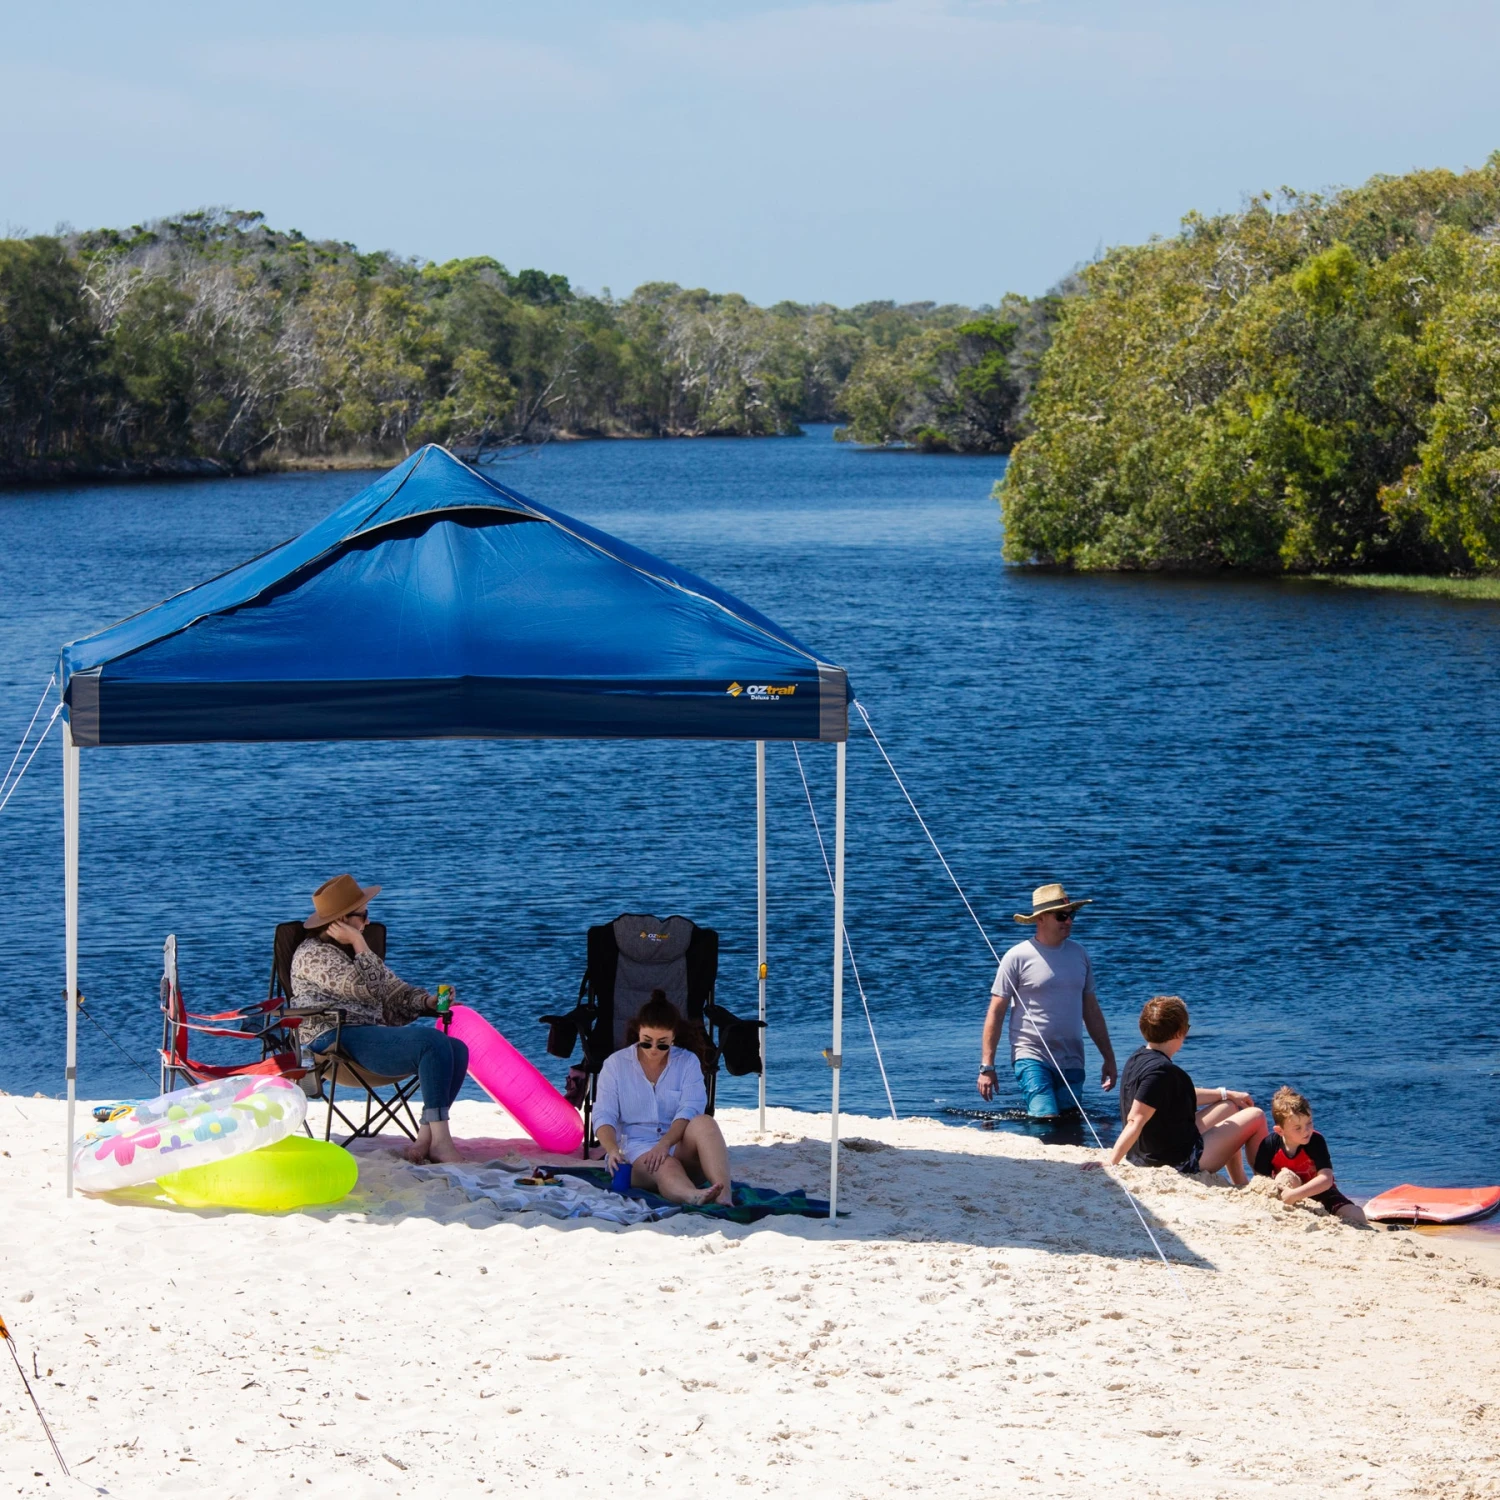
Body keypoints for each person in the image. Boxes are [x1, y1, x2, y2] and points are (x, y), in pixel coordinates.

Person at [290, 873, 469, 1165]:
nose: (368, 923)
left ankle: (427, 1138)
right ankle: (443, 1140)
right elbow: (367, 988)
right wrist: (360, 943)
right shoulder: (314, 955)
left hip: (366, 1038)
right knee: (431, 1041)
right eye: (363, 916)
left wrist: (426, 1002)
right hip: (333, 1042)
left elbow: (391, 989)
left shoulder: (353, 952)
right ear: (342, 921)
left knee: (456, 1048)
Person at [978, 883, 1117, 1119]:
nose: (1069, 921)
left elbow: (1091, 1011)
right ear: (1041, 918)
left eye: (1072, 914)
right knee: (1045, 1116)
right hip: (1031, 1054)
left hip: (1072, 1056)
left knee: (1070, 1120)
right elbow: (996, 1012)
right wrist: (987, 1067)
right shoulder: (1017, 956)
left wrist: (1109, 1058)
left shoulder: (1080, 954)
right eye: (1062, 916)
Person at [1107, 995, 1267, 1183]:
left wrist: (1226, 1093)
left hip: (1159, 1145)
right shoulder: (1161, 1071)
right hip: (1175, 1161)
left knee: (1229, 1106)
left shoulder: (1138, 1058)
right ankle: (1264, 1181)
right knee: (1256, 1116)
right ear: (1179, 1032)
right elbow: (1136, 1119)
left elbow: (1172, 1095)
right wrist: (1111, 1163)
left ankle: (1240, 1180)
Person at [593, 991, 733, 1206]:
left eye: (662, 1044)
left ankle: (724, 1195)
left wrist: (665, 1143)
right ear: (638, 1032)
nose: (654, 1050)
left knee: (705, 1122)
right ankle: (693, 1196)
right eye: (646, 1042)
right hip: (636, 1149)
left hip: (677, 1143)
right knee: (664, 1164)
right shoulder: (615, 1064)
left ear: (673, 1038)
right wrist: (612, 1150)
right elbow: (604, 1115)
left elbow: (690, 1109)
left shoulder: (687, 1062)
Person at [1252, 1086, 1368, 1226]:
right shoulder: (1269, 1144)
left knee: (1358, 1215)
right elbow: (1261, 1180)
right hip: (1287, 1191)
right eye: (1298, 1128)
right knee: (1284, 1177)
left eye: (1309, 1123)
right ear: (1280, 1131)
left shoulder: (1315, 1141)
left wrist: (1296, 1195)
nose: (1306, 1131)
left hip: (1321, 1192)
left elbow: (1326, 1179)